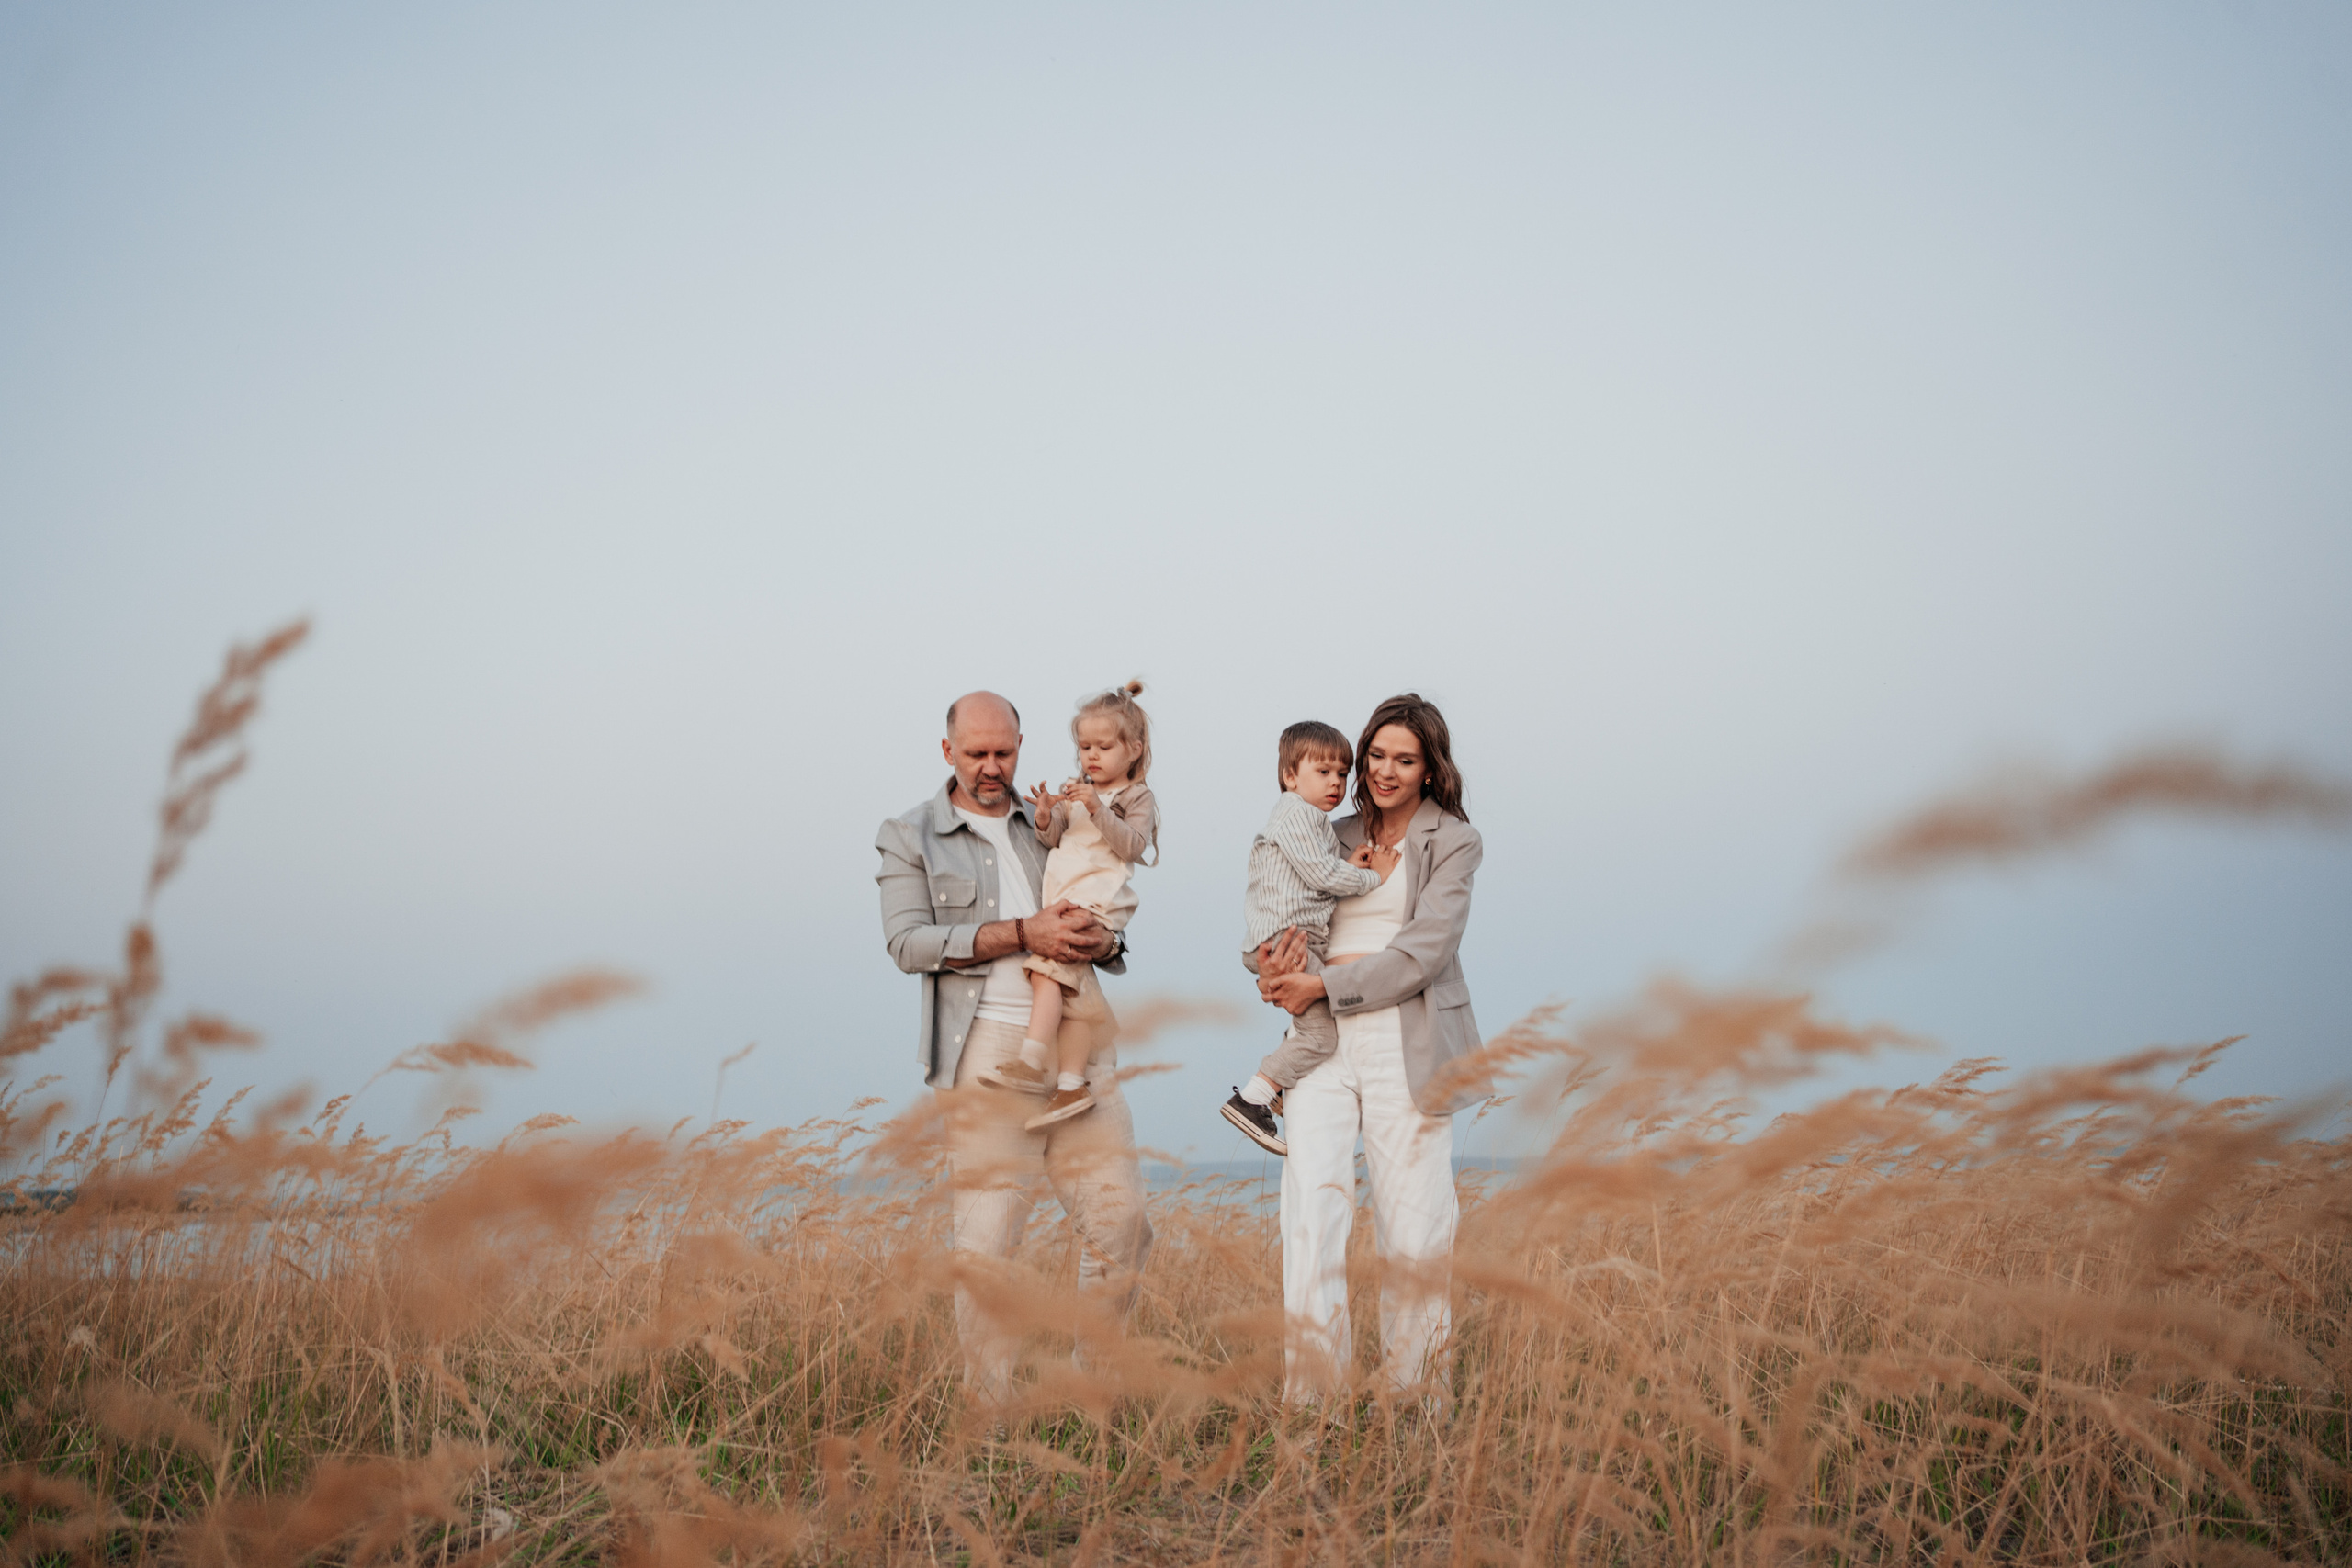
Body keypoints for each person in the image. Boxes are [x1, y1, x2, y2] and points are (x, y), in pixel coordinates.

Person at [875, 690, 1155, 1408]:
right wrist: (1021, 933)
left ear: (1022, 744)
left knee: (1123, 1221)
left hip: (1078, 1038)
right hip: (987, 1050)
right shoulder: (910, 834)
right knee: (989, 1241)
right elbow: (907, 944)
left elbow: (1104, 903)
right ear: (948, 753)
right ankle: (989, 1420)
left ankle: (1087, 1394)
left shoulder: (1055, 817)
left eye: (1004, 751)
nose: (992, 766)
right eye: (976, 754)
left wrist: (1108, 939)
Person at [1255, 693, 1485, 1409]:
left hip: (1404, 1033)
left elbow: (1424, 951)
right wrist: (1272, 969)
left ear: (1430, 768)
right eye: (1376, 754)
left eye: (1404, 759)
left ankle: (1418, 1398)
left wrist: (1321, 983)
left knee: (1415, 1218)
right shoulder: (1326, 827)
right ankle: (1312, 1399)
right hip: (1319, 1039)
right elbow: (1278, 914)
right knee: (1311, 1208)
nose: (1385, 770)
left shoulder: (1453, 840)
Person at [979, 682, 1160, 1133]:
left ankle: (1031, 1061)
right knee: (1071, 989)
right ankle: (1071, 1085)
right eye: (1084, 747)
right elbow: (1052, 837)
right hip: (1065, 899)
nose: (1091, 756)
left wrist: (1097, 807)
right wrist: (1045, 814)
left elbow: (1133, 846)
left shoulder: (1135, 798)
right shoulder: (1079, 789)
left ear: (1134, 750)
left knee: (1046, 972)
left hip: (1095, 902)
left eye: (1103, 746)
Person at [1219, 720, 1398, 1156]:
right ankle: (1255, 1097)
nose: (1336, 782)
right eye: (1323, 772)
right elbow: (1322, 874)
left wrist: (1348, 860)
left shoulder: (1314, 819)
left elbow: (1317, 869)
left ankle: (1279, 1086)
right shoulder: (1295, 812)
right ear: (1290, 776)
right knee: (1322, 1037)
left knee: (1313, 1023)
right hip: (1284, 939)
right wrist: (1373, 875)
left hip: (1293, 937)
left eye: (1342, 773)